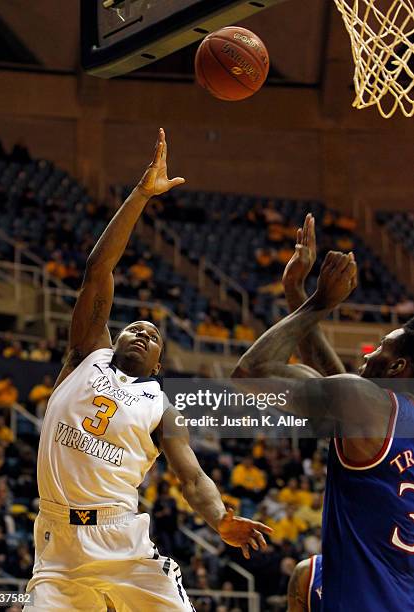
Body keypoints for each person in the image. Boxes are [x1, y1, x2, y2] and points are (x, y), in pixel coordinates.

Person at [25, 129, 271, 612]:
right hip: (57, 548)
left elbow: (191, 475)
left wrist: (220, 517)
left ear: (159, 363)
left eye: (153, 335)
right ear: (112, 336)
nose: (142, 332)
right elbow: (98, 270)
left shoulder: (161, 404)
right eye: (134, 326)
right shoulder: (84, 355)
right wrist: (140, 195)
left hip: (124, 543)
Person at [232, 214, 414, 611]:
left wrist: (318, 303)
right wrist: (295, 290)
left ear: (398, 368)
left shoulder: (367, 407)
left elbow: (249, 374)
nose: (367, 355)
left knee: (309, 576)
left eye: (380, 347)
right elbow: (338, 382)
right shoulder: (382, 415)